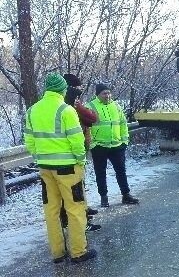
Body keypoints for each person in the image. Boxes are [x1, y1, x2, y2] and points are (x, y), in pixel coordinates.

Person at [23, 73, 96, 263]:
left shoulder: (32, 110)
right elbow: (77, 140)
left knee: (51, 210)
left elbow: (30, 142)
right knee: (75, 208)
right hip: (68, 169)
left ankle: (58, 253)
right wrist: (81, 160)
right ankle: (79, 251)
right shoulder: (66, 110)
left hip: (45, 168)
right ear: (62, 89)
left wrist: (40, 157)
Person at [60, 74, 101, 231]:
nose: (79, 92)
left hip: (75, 151)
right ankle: (79, 221)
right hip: (72, 154)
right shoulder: (67, 107)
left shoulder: (73, 104)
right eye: (77, 88)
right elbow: (90, 119)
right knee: (73, 191)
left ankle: (80, 213)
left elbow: (91, 119)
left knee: (77, 188)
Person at [87, 83, 139, 207]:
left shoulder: (116, 106)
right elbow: (86, 127)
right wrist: (92, 144)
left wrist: (124, 141)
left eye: (109, 92)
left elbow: (123, 123)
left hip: (117, 145)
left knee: (121, 171)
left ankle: (126, 195)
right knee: (100, 172)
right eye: (104, 93)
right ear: (98, 94)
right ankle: (104, 197)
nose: (107, 95)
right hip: (99, 146)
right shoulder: (90, 106)